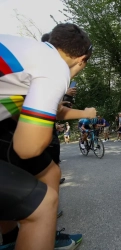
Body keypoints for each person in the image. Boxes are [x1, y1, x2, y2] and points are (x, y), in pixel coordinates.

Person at [0, 23, 96, 250]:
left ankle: (15, 239)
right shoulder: (56, 67)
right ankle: (38, 234)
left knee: (50, 171)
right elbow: (27, 147)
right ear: (82, 59)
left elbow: (16, 116)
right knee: (43, 204)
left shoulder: (30, 51)